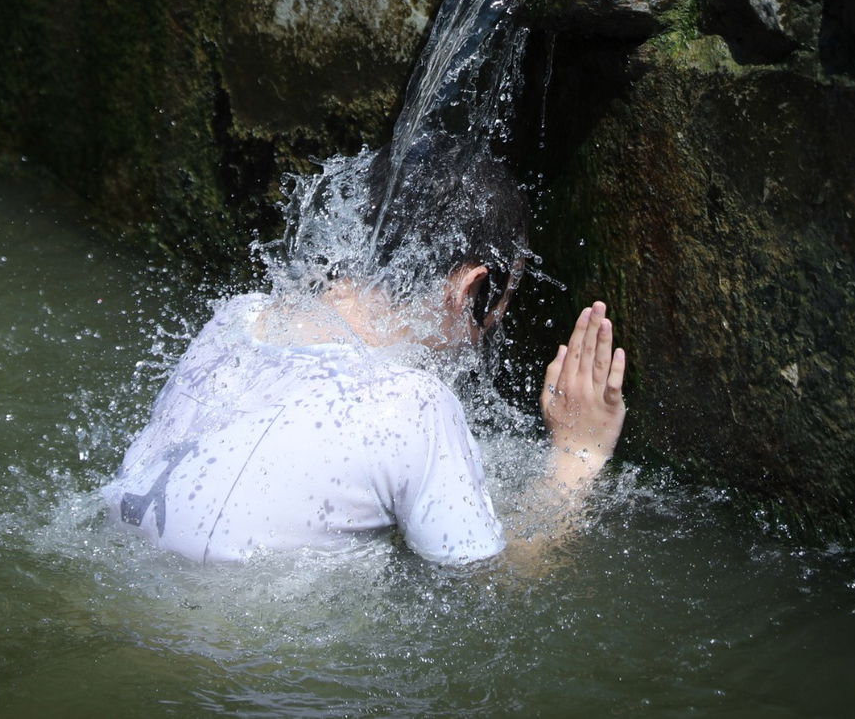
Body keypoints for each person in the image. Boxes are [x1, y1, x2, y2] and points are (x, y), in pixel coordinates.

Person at [102, 140, 627, 565]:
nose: (490, 327)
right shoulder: (413, 405)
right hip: (230, 658)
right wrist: (578, 454)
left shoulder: (235, 318)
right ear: (469, 290)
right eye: (502, 301)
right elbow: (491, 587)